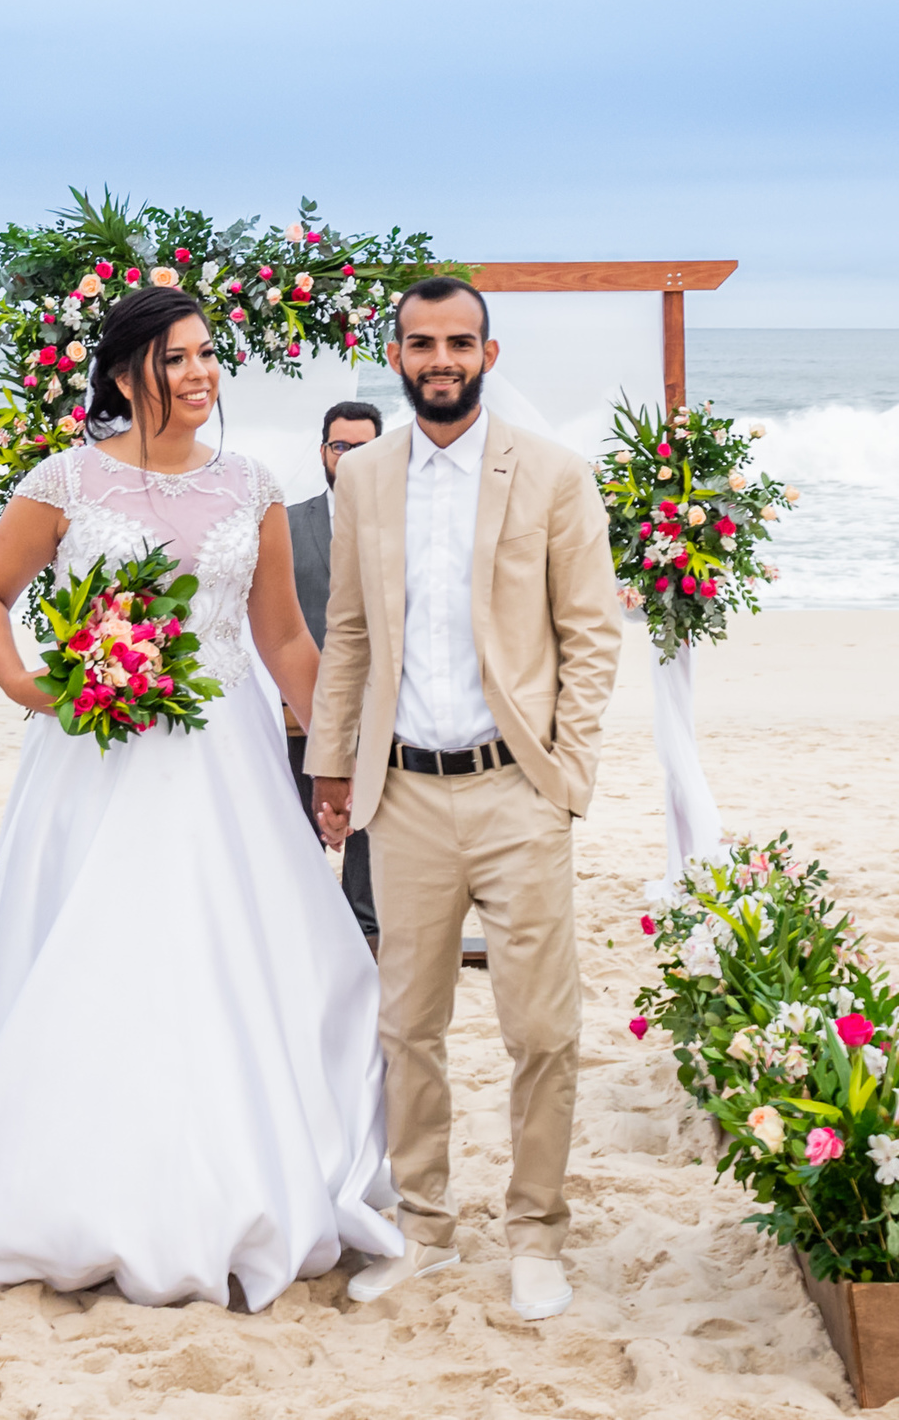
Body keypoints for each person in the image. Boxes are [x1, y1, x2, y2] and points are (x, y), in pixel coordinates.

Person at [0, 286, 402, 1309]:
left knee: (238, 956)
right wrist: (32, 685)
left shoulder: (251, 484)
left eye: (208, 355)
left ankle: (229, 1174)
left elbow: (283, 638)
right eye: (177, 359)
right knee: (95, 956)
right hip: (95, 760)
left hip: (225, 763)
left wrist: (333, 759)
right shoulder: (65, 479)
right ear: (123, 374)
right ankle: (63, 1181)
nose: (200, 374)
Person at [305, 276, 621, 1320]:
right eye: (420, 342)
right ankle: (427, 1228)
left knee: (543, 1029)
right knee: (410, 1027)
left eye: (458, 342)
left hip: (516, 792)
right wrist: (333, 770)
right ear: (395, 354)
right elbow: (348, 632)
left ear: (489, 351)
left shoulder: (556, 475)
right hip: (405, 798)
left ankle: (536, 1232)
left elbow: (592, 632)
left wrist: (566, 774)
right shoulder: (367, 479)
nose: (439, 359)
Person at [286, 400, 383, 946]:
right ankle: (303, 936)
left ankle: (365, 938)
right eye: (340, 446)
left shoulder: (404, 526)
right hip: (302, 709)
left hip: (381, 711)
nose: (349, 458)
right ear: (324, 450)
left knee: (370, 837)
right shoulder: (287, 524)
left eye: (364, 448)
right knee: (300, 830)